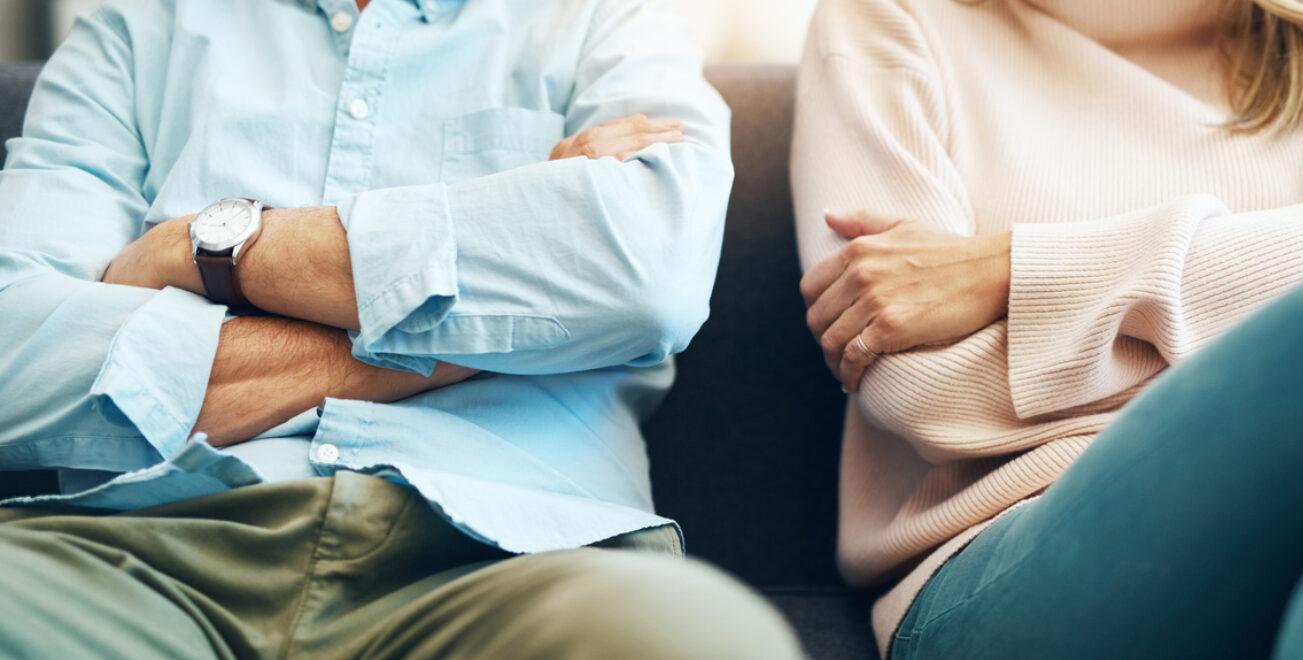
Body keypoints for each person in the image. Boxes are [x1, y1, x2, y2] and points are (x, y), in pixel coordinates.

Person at [0, 0, 805, 658]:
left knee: (704, 642)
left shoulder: (608, 19)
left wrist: (204, 248)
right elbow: (15, 353)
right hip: (131, 552)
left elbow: (647, 275)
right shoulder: (139, 29)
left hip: (508, 561)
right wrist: (510, 311)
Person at [791, 0, 1303, 657]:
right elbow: (924, 390)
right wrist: (1288, 260)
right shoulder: (893, 20)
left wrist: (1015, 271)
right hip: (1008, 558)